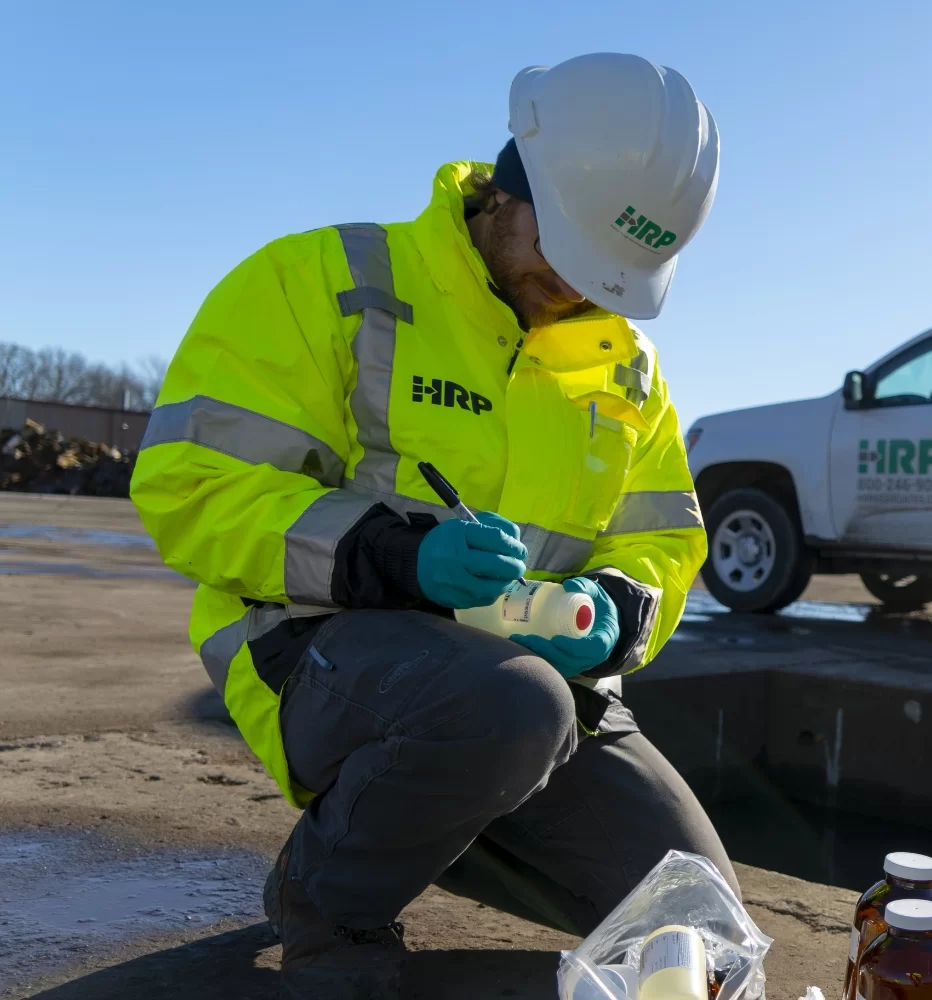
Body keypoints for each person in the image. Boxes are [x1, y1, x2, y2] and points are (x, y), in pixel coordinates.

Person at [130, 53, 726, 998]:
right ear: (507, 193)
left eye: (601, 276)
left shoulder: (628, 370)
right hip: (318, 652)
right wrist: (392, 555)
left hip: (535, 688)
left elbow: (663, 539)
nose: (574, 292)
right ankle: (329, 904)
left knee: (696, 929)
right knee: (507, 707)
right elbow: (189, 488)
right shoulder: (325, 280)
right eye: (562, 256)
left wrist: (619, 605)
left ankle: (438, 810)